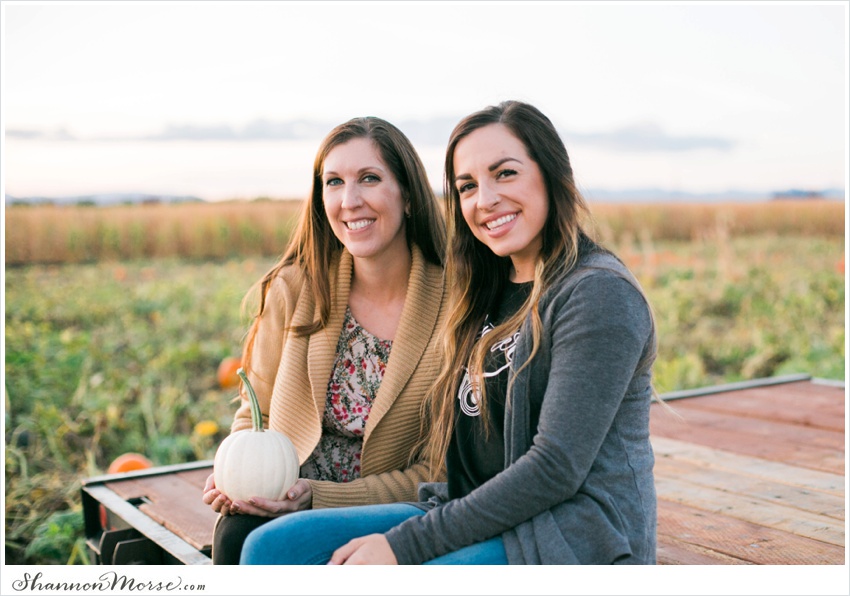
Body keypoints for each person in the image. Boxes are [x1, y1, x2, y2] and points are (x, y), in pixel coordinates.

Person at [239, 100, 658, 565]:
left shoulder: (597, 294)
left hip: (567, 536)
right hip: (468, 510)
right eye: (467, 186)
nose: (486, 199)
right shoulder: (485, 290)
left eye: (506, 173)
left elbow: (554, 470)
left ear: (553, 173)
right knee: (268, 547)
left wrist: (404, 545)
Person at [202, 116, 448, 564]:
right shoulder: (294, 288)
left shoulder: (456, 305)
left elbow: (441, 471)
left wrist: (318, 498)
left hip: (393, 509)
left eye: (369, 179)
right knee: (237, 533)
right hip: (283, 495)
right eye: (334, 182)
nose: (349, 201)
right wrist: (237, 475)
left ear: (409, 195)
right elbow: (254, 408)